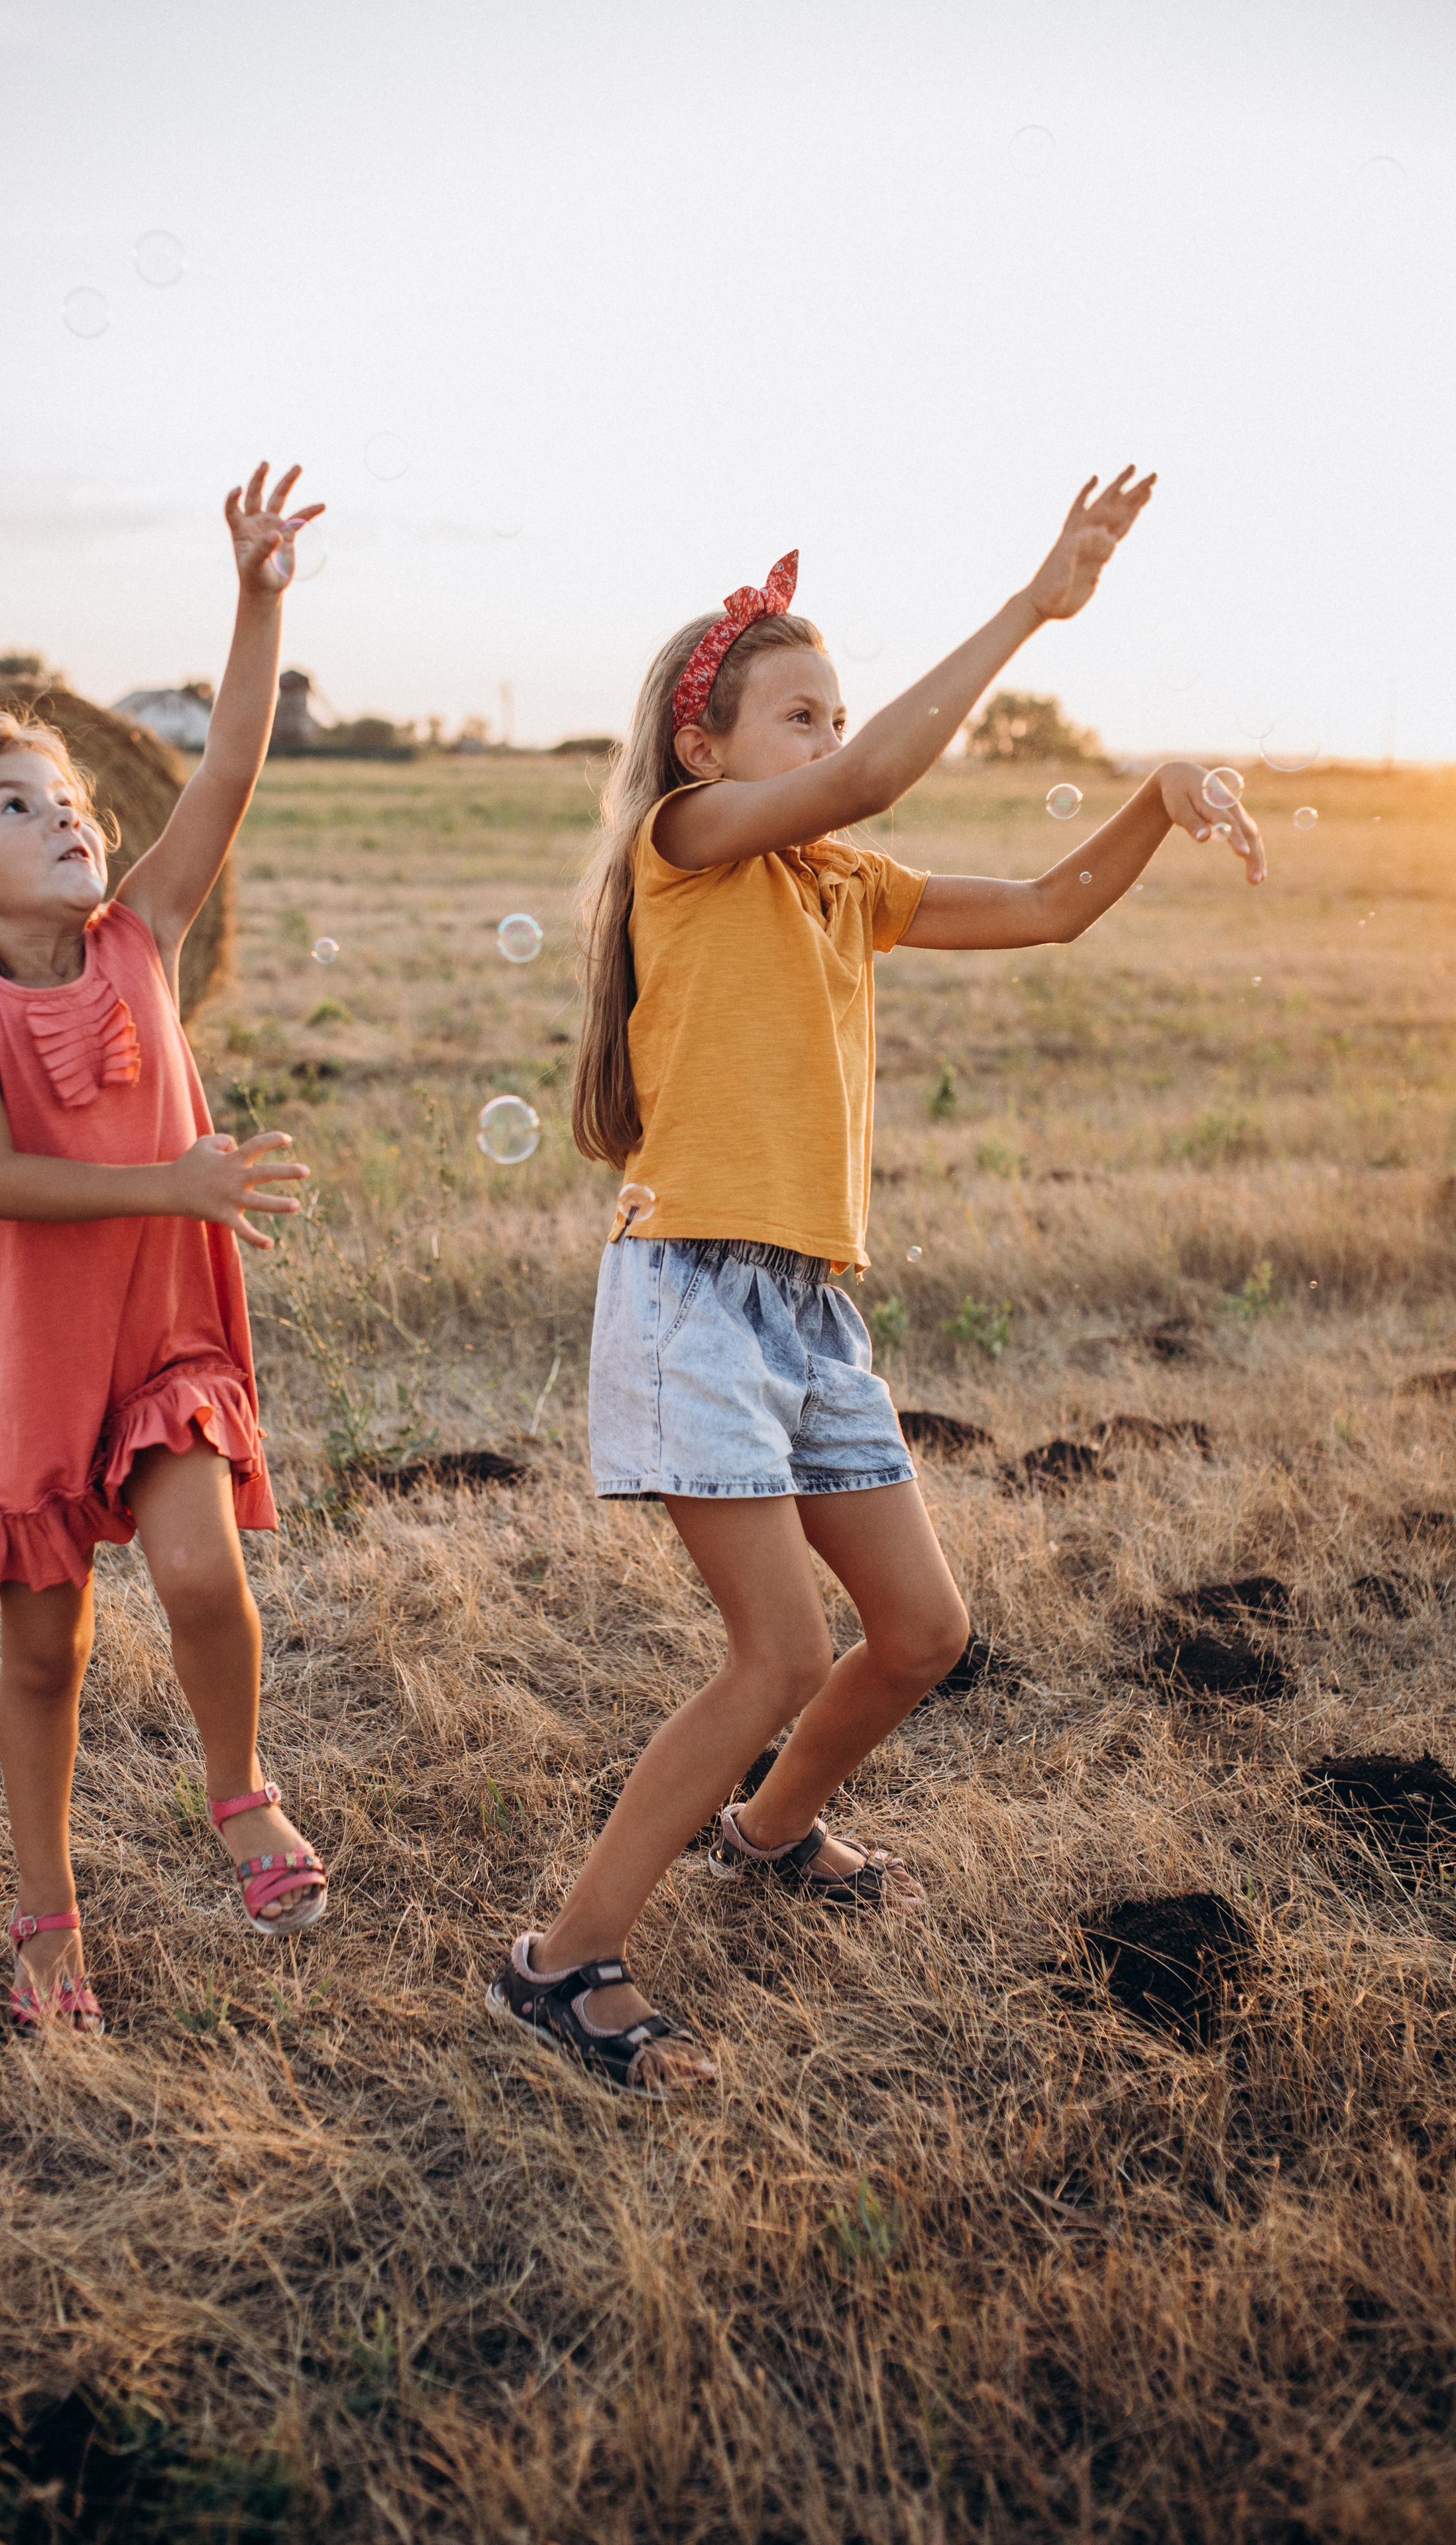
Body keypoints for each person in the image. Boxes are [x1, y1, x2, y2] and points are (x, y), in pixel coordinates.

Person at [488, 469, 1268, 2097]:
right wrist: (1032, 607)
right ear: (706, 747)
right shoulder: (688, 844)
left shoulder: (844, 886)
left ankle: (766, 1837)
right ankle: (561, 1963)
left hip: (810, 1307)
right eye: (797, 716)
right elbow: (880, 770)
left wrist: (1152, 793)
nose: (828, 739)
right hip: (693, 1294)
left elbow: (1050, 909)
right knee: (770, 1654)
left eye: (829, 711)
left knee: (917, 1631)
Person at [0, 463, 333, 2035]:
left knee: (199, 1573)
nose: (70, 816)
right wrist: (175, 1181)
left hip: (165, 1342)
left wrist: (256, 602)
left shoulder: (141, 942)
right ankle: (47, 1924)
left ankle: (236, 1791)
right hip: (46, 1368)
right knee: (44, 1662)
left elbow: (227, 779)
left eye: (74, 798)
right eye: (17, 803)